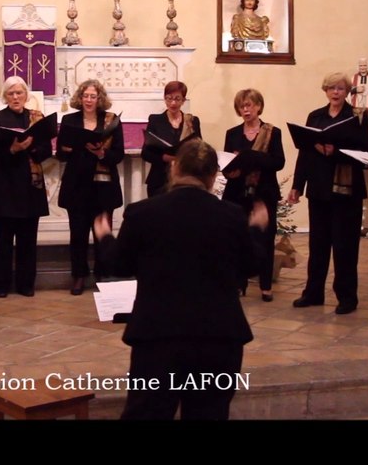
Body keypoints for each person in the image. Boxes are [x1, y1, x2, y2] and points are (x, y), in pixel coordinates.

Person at [92, 140, 265, 420]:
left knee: (147, 414)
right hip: (217, 337)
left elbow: (119, 265)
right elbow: (250, 266)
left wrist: (105, 237)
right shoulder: (231, 215)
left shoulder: (142, 212)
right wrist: (256, 229)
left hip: (159, 336)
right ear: (212, 176)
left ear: (174, 168)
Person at [288, 72, 368, 315]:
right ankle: (313, 292)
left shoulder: (357, 117)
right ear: (325, 90)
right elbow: (305, 152)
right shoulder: (315, 116)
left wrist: (334, 151)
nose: (336, 92)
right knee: (318, 245)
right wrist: (297, 186)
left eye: (341, 88)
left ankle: (347, 297)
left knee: (345, 246)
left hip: (347, 192)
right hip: (319, 187)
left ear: (347, 92)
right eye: (332, 88)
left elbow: (365, 153)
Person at [0, 77, 52, 297]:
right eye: (11, 93)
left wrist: (30, 148)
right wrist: (13, 149)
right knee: (3, 240)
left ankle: (26, 284)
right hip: (4, 184)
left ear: (26, 95)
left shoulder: (36, 118)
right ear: (5, 96)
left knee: (27, 239)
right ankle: (1, 285)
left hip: (30, 185)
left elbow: (46, 152)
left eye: (19, 93)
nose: (15, 97)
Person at [57, 79, 125, 296]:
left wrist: (102, 153)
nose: (88, 100)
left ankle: (103, 274)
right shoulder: (69, 120)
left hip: (103, 186)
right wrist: (67, 149)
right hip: (77, 185)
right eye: (85, 96)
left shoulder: (111, 121)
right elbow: (60, 154)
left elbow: (119, 154)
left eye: (93, 96)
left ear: (99, 98)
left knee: (101, 234)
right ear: (80, 97)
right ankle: (78, 276)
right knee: (77, 234)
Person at [223, 88, 285, 302]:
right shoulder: (232, 133)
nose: (246, 110)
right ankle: (239, 284)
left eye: (249, 105)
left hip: (263, 193)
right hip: (237, 193)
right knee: (237, 238)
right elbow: (226, 165)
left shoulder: (272, 132)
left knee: (265, 239)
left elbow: (278, 162)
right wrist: (232, 169)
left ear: (259, 106)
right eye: (242, 106)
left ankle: (265, 286)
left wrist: (251, 157)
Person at [141, 80, 201, 198]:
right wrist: (165, 157)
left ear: (183, 100)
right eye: (169, 98)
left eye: (177, 99)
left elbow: (199, 150)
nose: (173, 103)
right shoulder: (155, 120)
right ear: (164, 98)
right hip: (159, 180)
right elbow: (146, 153)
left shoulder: (192, 121)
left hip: (186, 179)